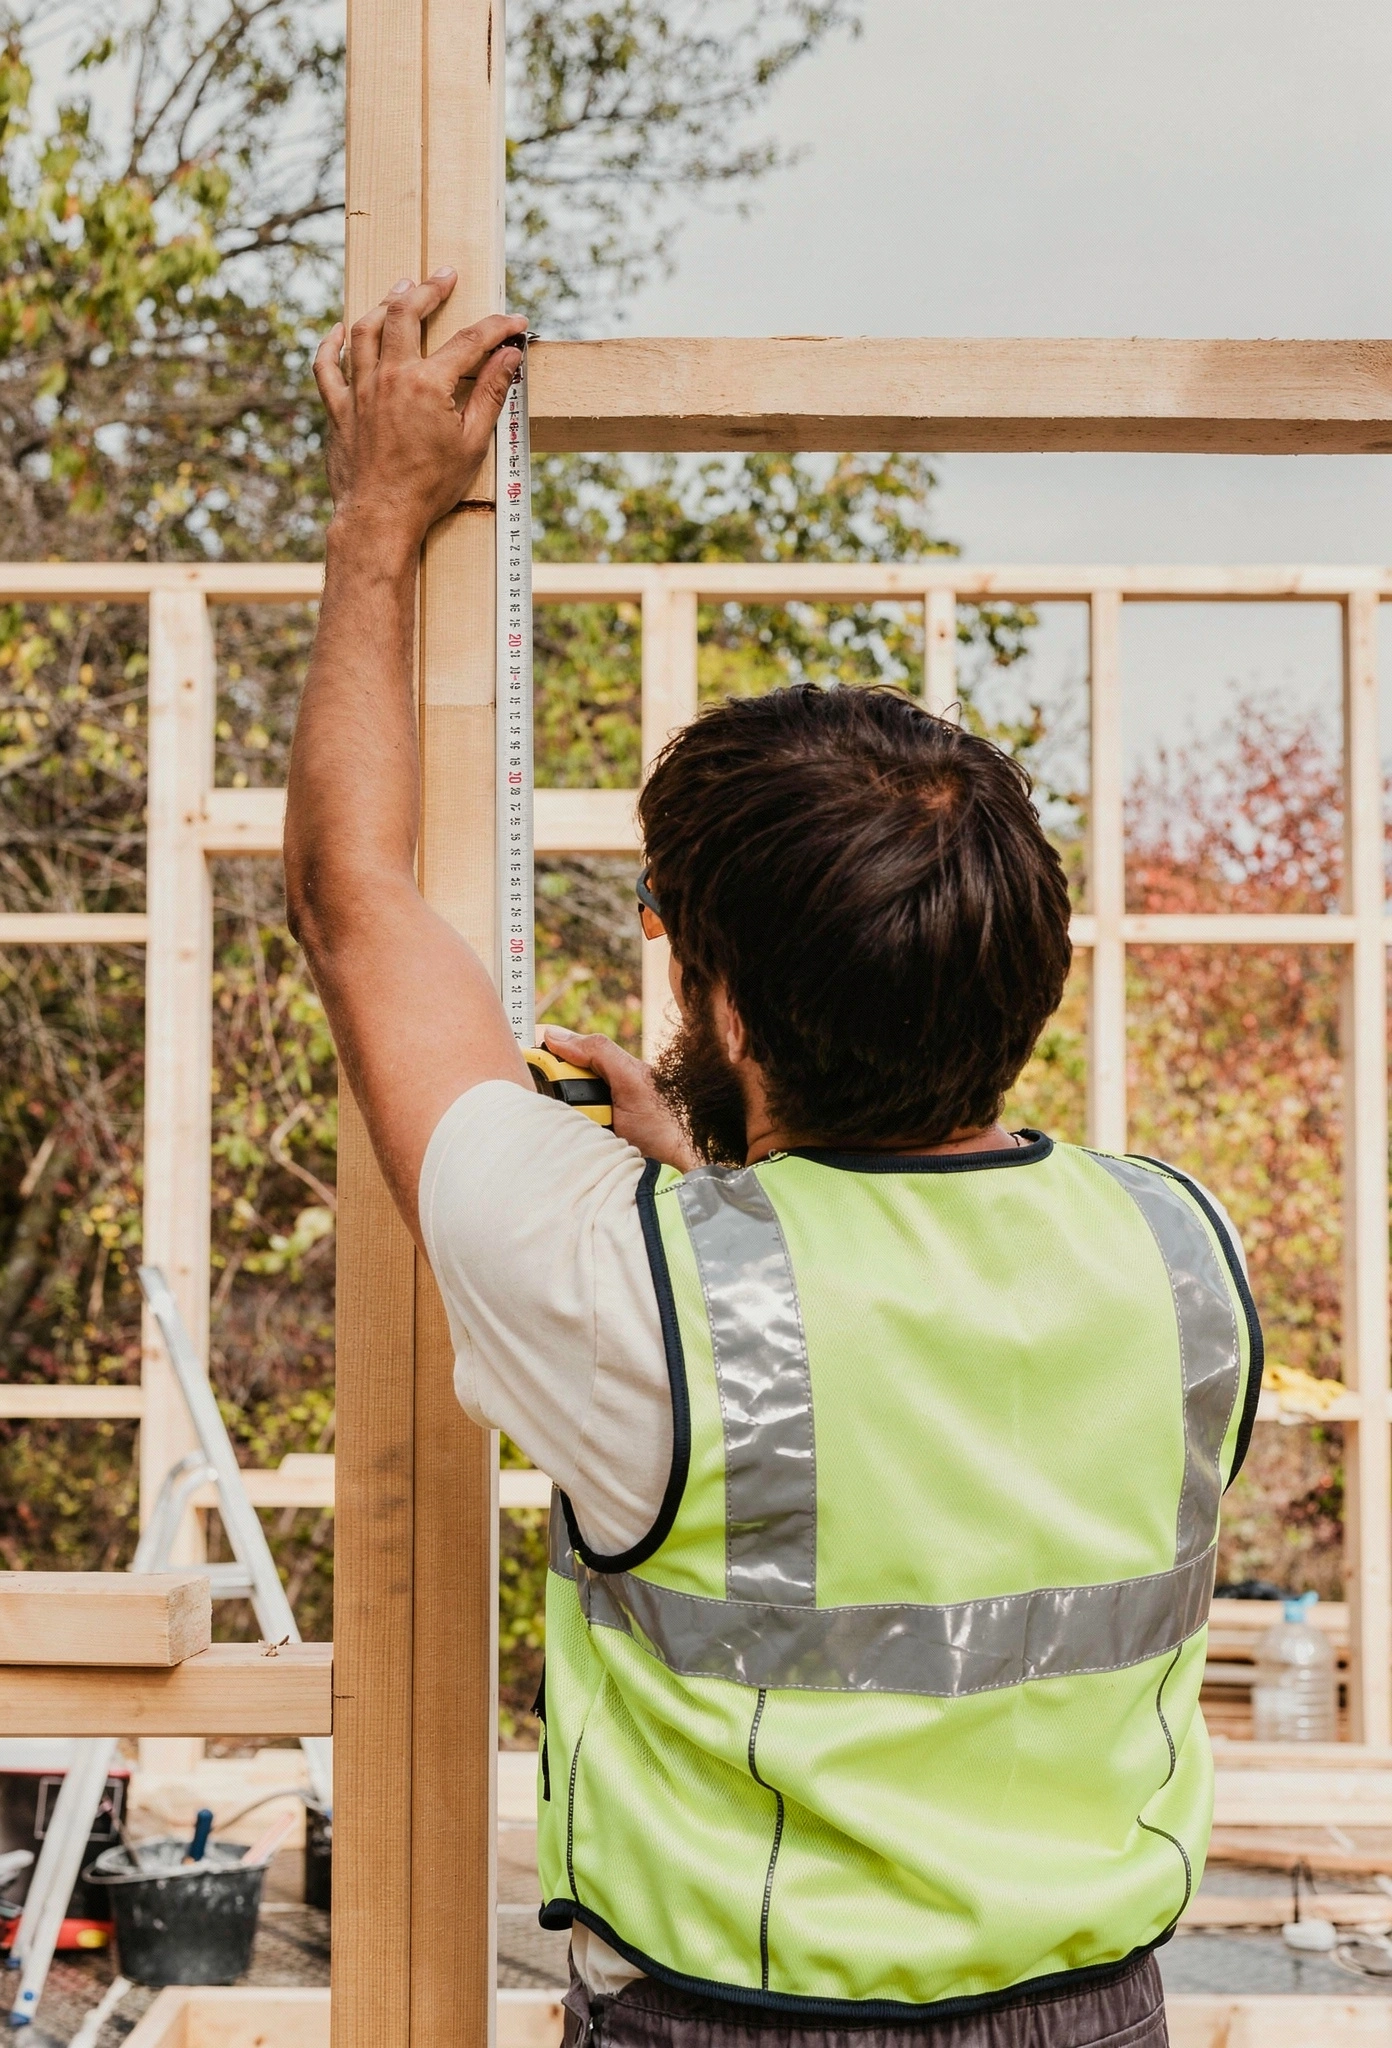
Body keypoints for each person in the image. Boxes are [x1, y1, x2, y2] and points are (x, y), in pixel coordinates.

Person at [289, 274, 1262, 2048]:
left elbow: (355, 913)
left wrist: (376, 516)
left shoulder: (636, 1293)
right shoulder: (1185, 1251)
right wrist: (711, 1177)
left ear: (727, 1015)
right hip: (1096, 2018)